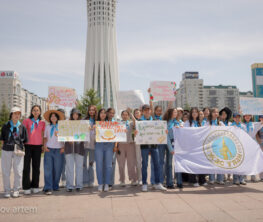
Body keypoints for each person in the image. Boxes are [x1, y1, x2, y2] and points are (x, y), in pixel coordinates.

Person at [135, 104, 167, 192]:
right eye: (145, 110)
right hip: (144, 146)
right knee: (144, 165)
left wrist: (165, 132)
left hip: (154, 146)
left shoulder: (156, 121)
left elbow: (161, 132)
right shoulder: (140, 121)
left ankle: (158, 183)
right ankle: (144, 183)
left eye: (148, 110)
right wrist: (136, 132)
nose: (147, 111)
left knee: (157, 164)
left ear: (150, 111)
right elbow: (136, 133)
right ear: (143, 112)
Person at [1, 107, 28, 198]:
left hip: (18, 151)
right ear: (11, 115)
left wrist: (20, 148)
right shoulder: (5, 125)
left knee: (18, 171)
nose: (17, 115)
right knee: (6, 171)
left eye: (18, 114)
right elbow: (2, 139)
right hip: (6, 150)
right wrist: (4, 148)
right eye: (15, 113)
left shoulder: (22, 127)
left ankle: (16, 190)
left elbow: (24, 140)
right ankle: (7, 190)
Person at [22, 105, 45, 195]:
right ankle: (26, 187)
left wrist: (43, 145)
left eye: (37, 110)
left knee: (36, 167)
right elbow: (23, 133)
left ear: (40, 112)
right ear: (31, 112)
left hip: (38, 146)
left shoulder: (42, 123)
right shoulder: (26, 121)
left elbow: (43, 135)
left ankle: (35, 186)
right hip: (27, 146)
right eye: (34, 110)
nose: (36, 112)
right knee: (26, 167)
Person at [43, 110, 65, 195]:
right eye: (51, 116)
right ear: (50, 118)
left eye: (55, 116)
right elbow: (45, 137)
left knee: (58, 169)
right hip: (49, 149)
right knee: (48, 169)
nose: (53, 117)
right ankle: (48, 187)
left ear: (57, 118)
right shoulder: (47, 127)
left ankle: (55, 185)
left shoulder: (62, 127)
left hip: (59, 150)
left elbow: (65, 138)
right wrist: (44, 146)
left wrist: (63, 147)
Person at [184, 108, 207, 187]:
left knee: (200, 163)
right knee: (192, 164)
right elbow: (184, 132)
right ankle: (193, 180)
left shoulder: (200, 122)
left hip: (199, 147)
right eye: (193, 112)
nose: (194, 113)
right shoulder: (187, 123)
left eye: (195, 112)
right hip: (191, 147)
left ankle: (202, 180)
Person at [64, 108, 85, 192]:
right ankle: (69, 185)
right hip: (69, 148)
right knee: (69, 167)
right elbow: (63, 134)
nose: (75, 116)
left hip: (79, 148)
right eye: (74, 114)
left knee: (79, 167)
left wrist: (77, 140)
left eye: (77, 114)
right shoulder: (66, 123)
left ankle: (79, 185)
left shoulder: (82, 124)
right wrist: (68, 138)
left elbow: (84, 135)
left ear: (79, 115)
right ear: (71, 115)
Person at [116, 110, 138, 186]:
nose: (125, 116)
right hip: (121, 145)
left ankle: (133, 179)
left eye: (126, 115)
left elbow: (135, 123)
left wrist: (131, 113)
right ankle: (122, 180)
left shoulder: (130, 123)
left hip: (130, 144)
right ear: (121, 115)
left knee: (131, 163)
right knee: (121, 164)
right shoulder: (118, 123)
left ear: (128, 116)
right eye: (123, 114)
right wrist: (116, 146)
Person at [95, 108, 114, 192]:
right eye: (101, 113)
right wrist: (92, 129)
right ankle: (100, 183)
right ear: (99, 114)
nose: (102, 114)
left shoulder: (110, 123)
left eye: (104, 113)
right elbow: (91, 136)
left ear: (106, 114)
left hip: (109, 145)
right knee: (99, 165)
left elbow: (117, 133)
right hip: (99, 145)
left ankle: (106, 183)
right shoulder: (96, 124)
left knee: (108, 165)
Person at [163, 108, 183, 189]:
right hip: (170, 144)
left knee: (178, 163)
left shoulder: (178, 122)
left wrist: (181, 127)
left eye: (176, 112)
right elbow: (166, 136)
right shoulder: (166, 123)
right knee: (169, 164)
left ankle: (179, 182)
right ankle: (169, 183)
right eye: (174, 112)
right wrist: (170, 149)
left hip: (178, 144)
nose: (176, 113)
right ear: (170, 113)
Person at [206, 108, 225, 185]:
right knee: (212, 162)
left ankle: (220, 179)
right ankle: (211, 178)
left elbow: (226, 132)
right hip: (211, 145)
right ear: (211, 113)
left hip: (220, 144)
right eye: (214, 112)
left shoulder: (221, 123)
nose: (216, 113)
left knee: (220, 162)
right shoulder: (207, 123)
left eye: (217, 112)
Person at [243, 114, 263, 182]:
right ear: (244, 117)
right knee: (245, 161)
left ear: (251, 116)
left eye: (249, 115)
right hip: (244, 144)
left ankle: (254, 176)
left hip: (252, 144)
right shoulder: (242, 124)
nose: (247, 117)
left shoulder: (255, 124)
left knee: (253, 161)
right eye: (246, 116)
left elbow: (262, 122)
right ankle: (244, 176)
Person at [83, 105, 97, 188]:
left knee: (91, 163)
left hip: (93, 145)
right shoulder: (84, 120)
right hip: (84, 144)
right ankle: (85, 181)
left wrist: (96, 126)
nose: (91, 111)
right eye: (90, 110)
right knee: (83, 164)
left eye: (93, 110)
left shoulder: (98, 121)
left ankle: (91, 180)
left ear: (95, 111)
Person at [231, 113, 247, 185]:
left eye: (238, 117)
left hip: (242, 146)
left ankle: (242, 179)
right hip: (234, 146)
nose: (237, 119)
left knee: (242, 163)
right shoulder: (231, 126)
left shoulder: (243, 126)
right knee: (236, 163)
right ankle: (235, 179)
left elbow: (245, 135)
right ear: (233, 118)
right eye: (235, 117)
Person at [106, 108, 117, 188]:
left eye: (113, 113)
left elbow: (118, 135)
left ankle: (110, 182)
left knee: (112, 164)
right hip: (104, 145)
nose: (111, 114)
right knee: (106, 164)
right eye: (110, 113)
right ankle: (105, 181)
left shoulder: (115, 123)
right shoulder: (103, 122)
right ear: (107, 113)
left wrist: (116, 146)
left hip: (113, 145)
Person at [133, 108, 142, 184]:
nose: (137, 114)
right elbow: (135, 122)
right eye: (135, 113)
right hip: (137, 143)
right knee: (138, 162)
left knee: (144, 162)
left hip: (145, 143)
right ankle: (139, 179)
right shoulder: (133, 123)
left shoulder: (144, 121)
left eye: (138, 113)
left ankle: (142, 178)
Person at [58, 108, 66, 188]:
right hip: (56, 146)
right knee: (57, 164)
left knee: (64, 164)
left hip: (66, 147)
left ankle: (64, 180)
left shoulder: (67, 123)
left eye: (62, 113)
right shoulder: (54, 123)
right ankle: (57, 180)